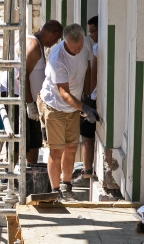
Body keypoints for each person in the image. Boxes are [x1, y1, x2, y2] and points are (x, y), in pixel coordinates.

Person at [39, 23, 100, 201]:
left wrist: (88, 94)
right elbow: (64, 93)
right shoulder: (57, 58)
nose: (78, 49)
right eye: (74, 47)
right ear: (65, 42)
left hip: (74, 106)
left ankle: (67, 186)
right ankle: (55, 190)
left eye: (80, 46)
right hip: (55, 106)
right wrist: (85, 107)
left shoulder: (85, 45)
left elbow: (87, 69)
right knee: (56, 150)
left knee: (72, 148)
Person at [1, 19, 64, 165]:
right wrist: (29, 103)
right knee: (17, 137)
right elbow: (21, 76)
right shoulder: (33, 45)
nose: (55, 43)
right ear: (53, 35)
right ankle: (8, 176)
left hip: (28, 97)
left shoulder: (36, 43)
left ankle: (31, 173)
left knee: (34, 140)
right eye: (57, 39)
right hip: (17, 95)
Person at [76, 15, 99, 185]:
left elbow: (92, 72)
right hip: (95, 96)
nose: (90, 35)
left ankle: (87, 169)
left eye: (93, 31)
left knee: (87, 136)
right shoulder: (94, 46)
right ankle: (87, 169)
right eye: (89, 31)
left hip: (93, 97)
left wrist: (88, 95)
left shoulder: (96, 48)